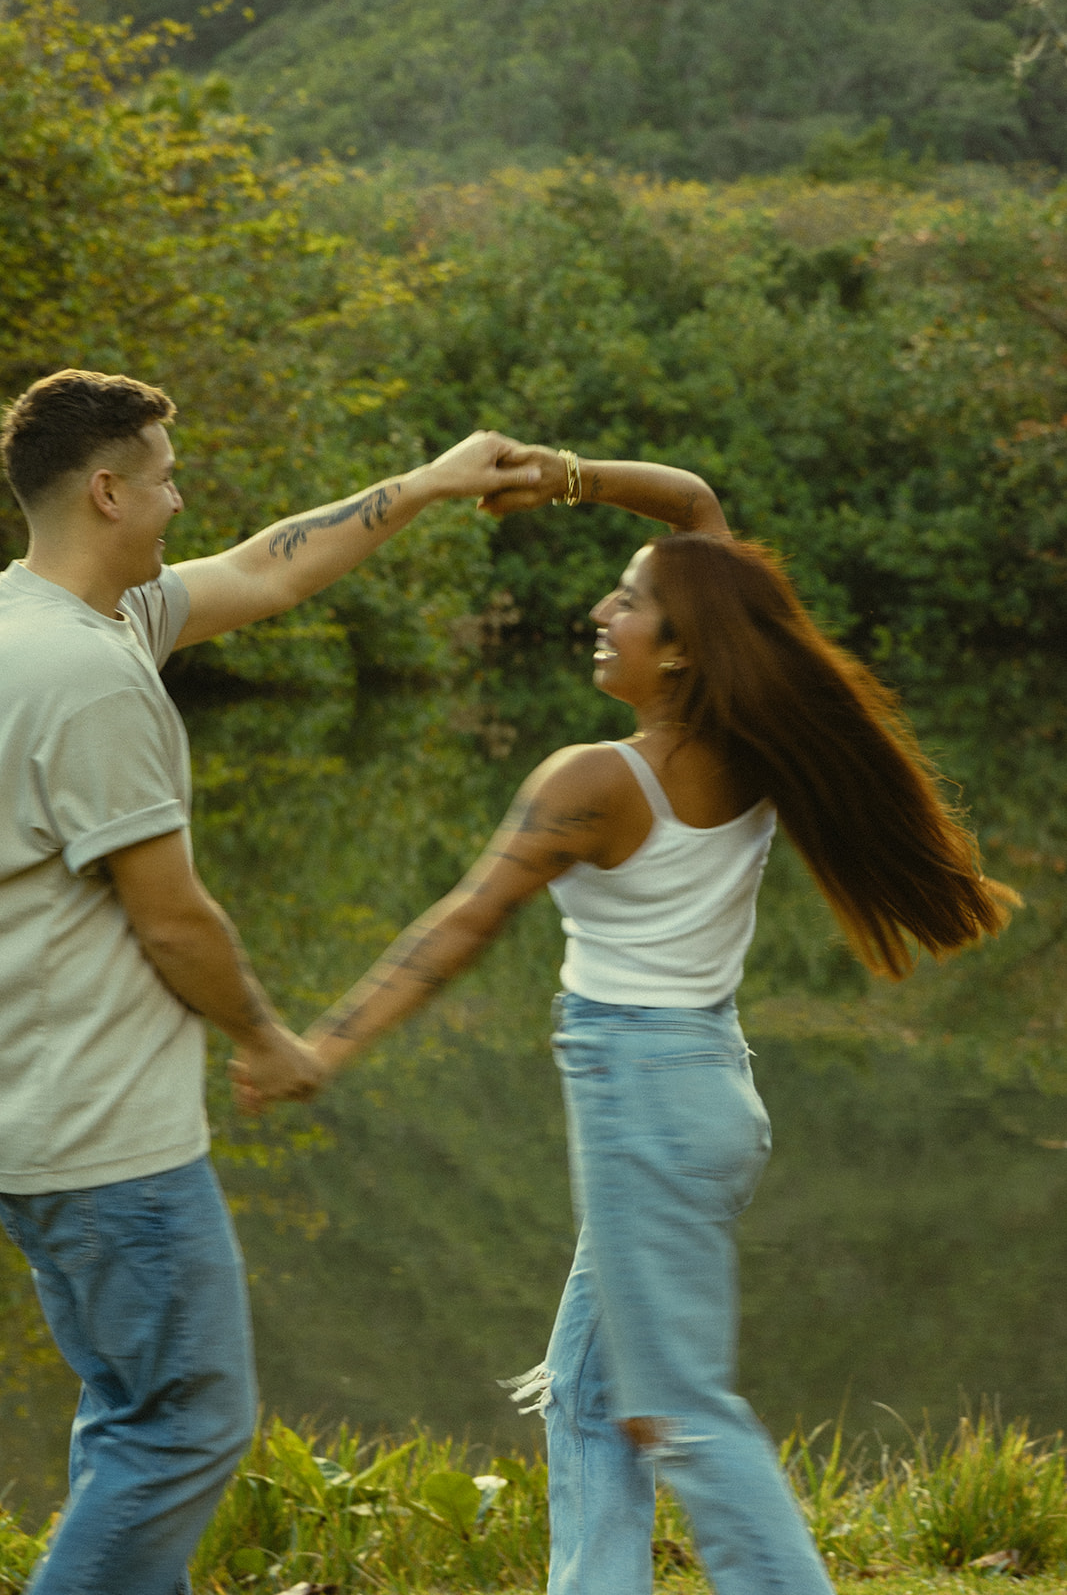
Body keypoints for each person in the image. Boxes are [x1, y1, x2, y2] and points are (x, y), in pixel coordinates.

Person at [273, 443, 1017, 1595]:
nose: (599, 608)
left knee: (677, 1408)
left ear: (677, 647)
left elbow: (460, 923)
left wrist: (322, 1044)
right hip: (708, 1091)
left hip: (642, 1100)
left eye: (626, 599)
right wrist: (561, 472)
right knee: (586, 1391)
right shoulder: (743, 738)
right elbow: (692, 505)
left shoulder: (597, 782)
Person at [0, 367, 541, 1595]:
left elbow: (270, 569)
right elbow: (174, 918)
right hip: (106, 1144)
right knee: (186, 1425)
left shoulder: (47, 625)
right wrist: (265, 1036)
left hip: (39, 1125)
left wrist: (432, 481)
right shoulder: (85, 677)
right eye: (164, 477)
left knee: (130, 1418)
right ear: (106, 491)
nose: (181, 500)